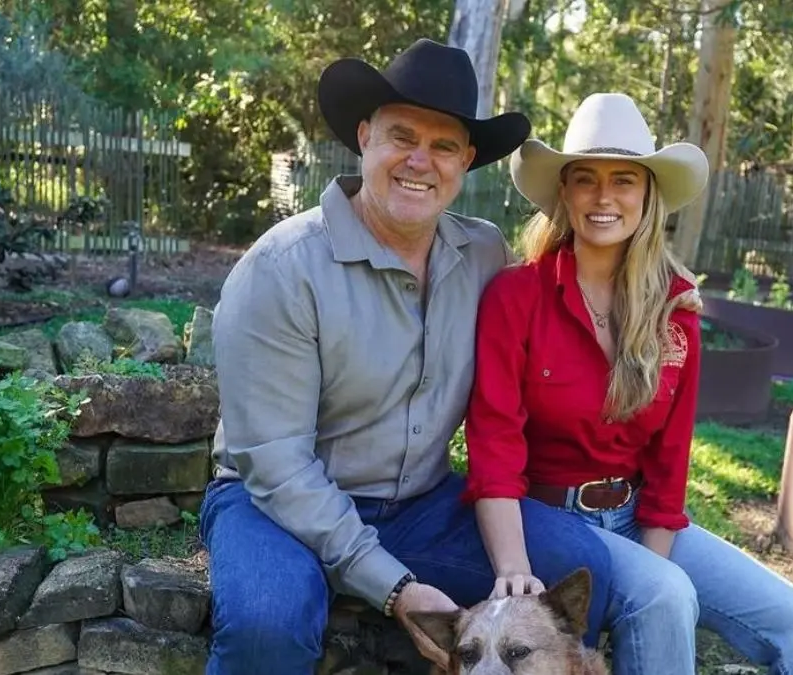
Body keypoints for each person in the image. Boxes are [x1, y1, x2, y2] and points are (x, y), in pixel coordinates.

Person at [199, 39, 619, 674]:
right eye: (401, 136)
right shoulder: (281, 270)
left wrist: (655, 301)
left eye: (443, 145)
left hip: (423, 507)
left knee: (579, 567)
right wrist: (394, 588)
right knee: (266, 624)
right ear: (364, 136)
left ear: (465, 161)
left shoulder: (482, 255)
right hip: (273, 508)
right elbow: (278, 468)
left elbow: (562, 309)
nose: (420, 161)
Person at [461, 92, 793, 675]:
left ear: (648, 195)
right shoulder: (516, 296)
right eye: (586, 179)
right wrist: (513, 566)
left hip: (638, 513)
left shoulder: (675, 308)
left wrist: (654, 562)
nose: (604, 197)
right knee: (664, 596)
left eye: (624, 180)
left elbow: (670, 459)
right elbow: (493, 444)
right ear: (564, 193)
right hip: (545, 518)